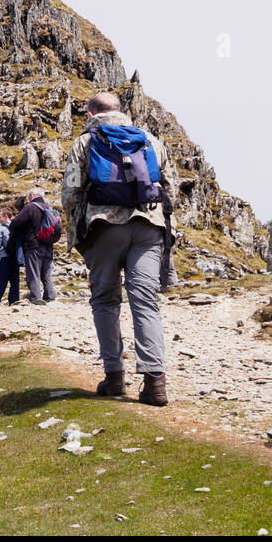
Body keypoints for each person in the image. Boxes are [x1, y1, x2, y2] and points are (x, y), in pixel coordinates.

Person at [62, 91, 179, 406]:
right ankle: (155, 383)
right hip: (149, 226)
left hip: (104, 228)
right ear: (122, 111)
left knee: (105, 300)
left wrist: (79, 232)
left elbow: (70, 193)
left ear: (90, 113)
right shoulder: (150, 141)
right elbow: (172, 189)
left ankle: (114, 377)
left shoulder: (85, 143)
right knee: (146, 302)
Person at [10, 187, 61, 304]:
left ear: (32, 196)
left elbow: (15, 223)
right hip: (49, 245)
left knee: (34, 273)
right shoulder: (49, 208)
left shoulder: (31, 207)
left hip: (33, 245)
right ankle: (50, 298)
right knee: (46, 273)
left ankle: (36, 299)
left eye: (29, 197)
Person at [0, 207, 21, 305]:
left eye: (0, 217)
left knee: (0, 280)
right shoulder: (16, 227)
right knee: (14, 280)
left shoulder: (0, 228)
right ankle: (14, 300)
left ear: (6, 216)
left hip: (4, 257)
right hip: (15, 257)